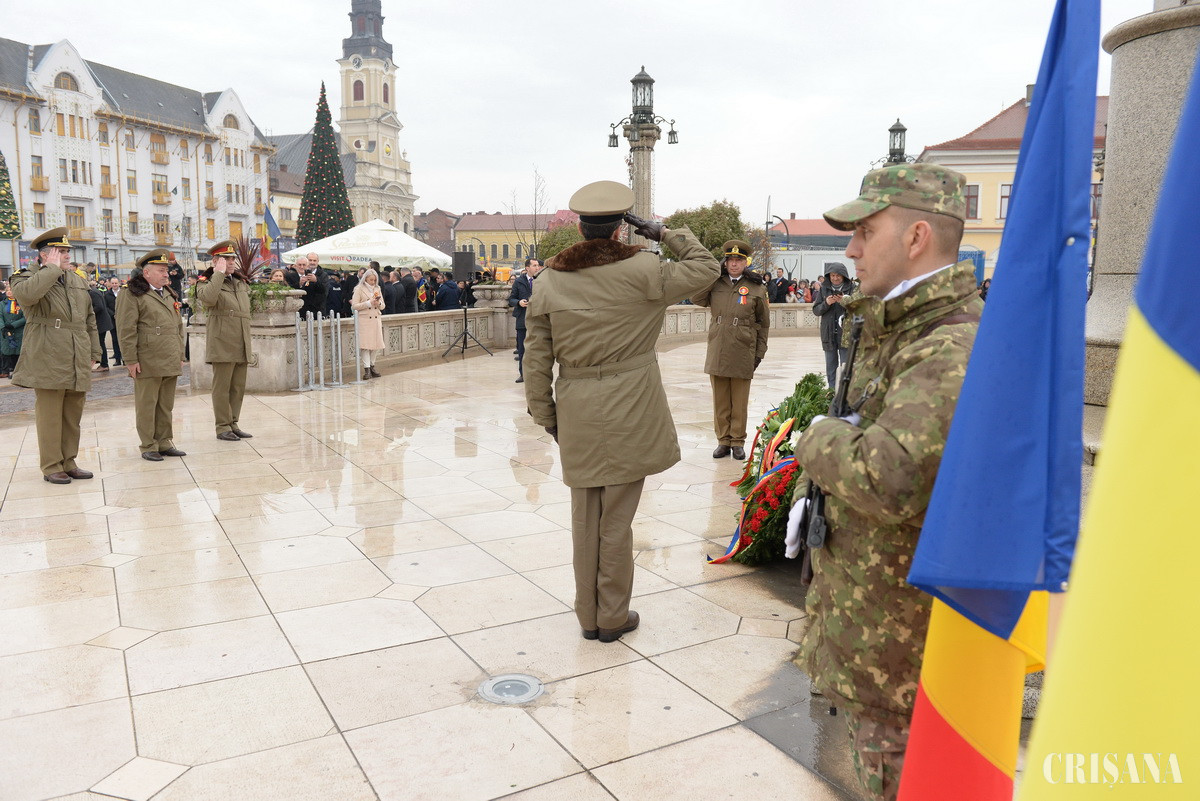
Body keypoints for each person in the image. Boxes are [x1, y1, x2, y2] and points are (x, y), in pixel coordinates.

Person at [791, 162, 980, 800]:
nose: (850, 249)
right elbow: (865, 424)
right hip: (879, 630)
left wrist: (813, 437)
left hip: (905, 652)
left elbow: (889, 475)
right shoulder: (902, 321)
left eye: (865, 232)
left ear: (916, 237)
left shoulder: (947, 342)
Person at [524, 180, 720, 644]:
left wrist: (546, 414)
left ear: (580, 229)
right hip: (633, 403)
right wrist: (664, 232)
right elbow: (707, 267)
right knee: (617, 519)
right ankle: (612, 615)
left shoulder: (548, 280)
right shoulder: (646, 270)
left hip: (577, 405)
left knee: (584, 517)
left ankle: (588, 615)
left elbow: (535, 358)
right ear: (620, 230)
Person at [10, 228, 100, 484]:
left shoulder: (76, 279)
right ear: (45, 255)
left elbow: (89, 318)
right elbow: (27, 296)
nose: (68, 255)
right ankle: (51, 465)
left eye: (68, 251)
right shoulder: (25, 277)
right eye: (62, 251)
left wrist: (94, 350)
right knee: (50, 414)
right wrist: (50, 269)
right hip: (47, 350)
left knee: (72, 413)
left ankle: (69, 461)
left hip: (76, 350)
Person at [690, 240, 770, 460]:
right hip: (718, 347)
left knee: (740, 401)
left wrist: (760, 353)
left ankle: (737, 441)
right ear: (724, 263)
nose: (734, 264)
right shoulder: (716, 284)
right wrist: (712, 276)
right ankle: (723, 441)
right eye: (730, 260)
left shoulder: (756, 287)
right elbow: (696, 298)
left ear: (746, 262)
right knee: (721, 400)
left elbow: (763, 324)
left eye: (738, 260)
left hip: (743, 348)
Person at [116, 249, 186, 462]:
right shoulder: (132, 293)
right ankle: (148, 444)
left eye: (166, 270)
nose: (166, 274)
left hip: (169, 356)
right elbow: (126, 329)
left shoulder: (168, 293)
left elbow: (177, 327)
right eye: (161, 270)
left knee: (165, 404)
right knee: (147, 404)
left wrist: (180, 354)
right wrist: (130, 360)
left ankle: (164, 441)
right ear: (146, 273)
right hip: (147, 358)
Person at [197, 240, 254, 442]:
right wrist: (218, 274)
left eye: (232, 259)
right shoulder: (206, 282)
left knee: (237, 386)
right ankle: (222, 426)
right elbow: (208, 299)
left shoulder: (240, 282)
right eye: (226, 259)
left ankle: (233, 423)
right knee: (222, 387)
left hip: (241, 339)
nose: (231, 262)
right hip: (222, 341)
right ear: (215, 261)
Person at [812, 262, 852, 386]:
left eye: (838, 275)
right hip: (828, 334)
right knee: (831, 368)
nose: (835, 278)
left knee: (846, 368)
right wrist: (826, 303)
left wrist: (844, 301)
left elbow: (859, 308)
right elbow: (816, 310)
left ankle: (845, 393)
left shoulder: (852, 288)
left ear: (843, 276)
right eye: (832, 275)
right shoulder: (824, 289)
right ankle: (832, 393)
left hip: (846, 335)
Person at [508, 258, 542, 384]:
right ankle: (523, 374)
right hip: (522, 319)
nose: (537, 268)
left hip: (538, 320)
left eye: (538, 265)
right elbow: (511, 299)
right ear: (527, 268)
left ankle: (537, 375)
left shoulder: (541, 280)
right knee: (522, 349)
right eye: (534, 265)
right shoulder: (519, 281)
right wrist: (519, 302)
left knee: (538, 350)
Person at [351, 267, 385, 379]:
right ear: (365, 279)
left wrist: (378, 303)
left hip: (376, 319)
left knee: (376, 345)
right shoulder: (359, 289)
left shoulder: (377, 288)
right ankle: (367, 369)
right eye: (371, 280)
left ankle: (372, 366)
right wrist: (368, 303)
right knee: (365, 346)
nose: (373, 282)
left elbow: (383, 306)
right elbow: (354, 305)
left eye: (374, 280)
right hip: (364, 320)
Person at [0, 283, 25, 378]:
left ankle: (17, 371)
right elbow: (0, 316)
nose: (9, 292)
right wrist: (3, 327)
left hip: (18, 330)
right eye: (7, 290)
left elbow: (25, 317)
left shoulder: (22, 303)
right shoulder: (2, 304)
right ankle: (5, 371)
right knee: (5, 351)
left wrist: (13, 325)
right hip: (5, 331)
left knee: (17, 351)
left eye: (11, 290)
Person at [88, 282, 114, 372]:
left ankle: (104, 364)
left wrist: (89, 313)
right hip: (102, 322)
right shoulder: (94, 291)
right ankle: (102, 363)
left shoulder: (92, 293)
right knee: (100, 343)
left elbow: (99, 306)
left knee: (100, 343)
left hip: (101, 323)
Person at [101, 276, 122, 367]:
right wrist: (113, 314)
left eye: (116, 283)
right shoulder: (106, 294)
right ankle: (117, 359)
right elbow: (105, 307)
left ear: (119, 283)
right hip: (112, 320)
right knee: (115, 340)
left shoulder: (123, 293)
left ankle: (125, 359)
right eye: (112, 283)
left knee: (123, 339)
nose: (114, 285)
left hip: (123, 319)